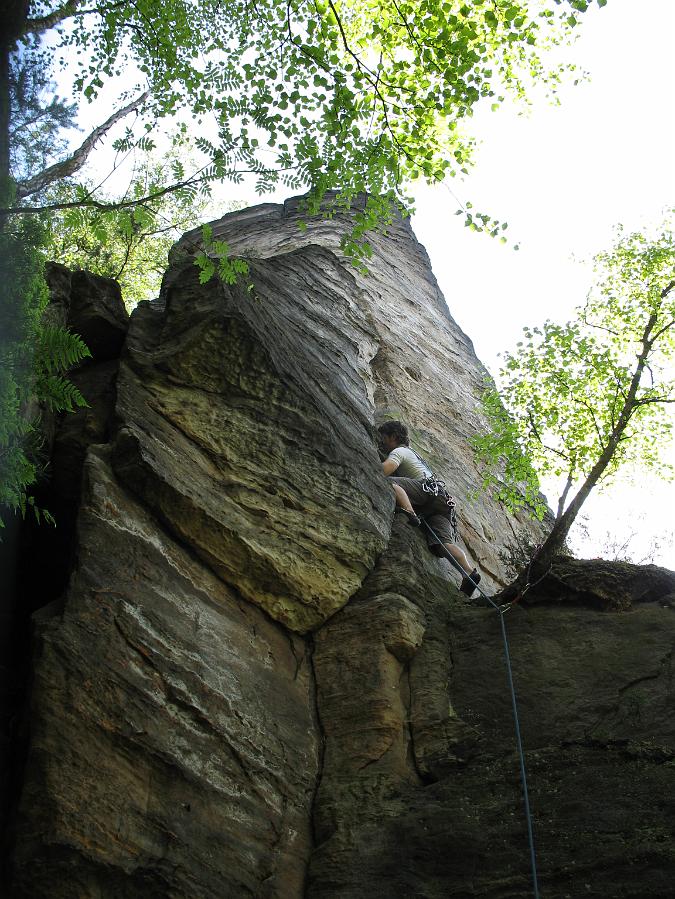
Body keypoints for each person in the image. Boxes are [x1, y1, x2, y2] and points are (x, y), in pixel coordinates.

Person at [377, 419, 481, 597]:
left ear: (394, 436)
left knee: (386, 482)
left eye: (384, 438)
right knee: (442, 544)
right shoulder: (418, 457)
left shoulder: (400, 450)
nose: (382, 443)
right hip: (442, 501)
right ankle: (469, 572)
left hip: (426, 491)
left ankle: (409, 511)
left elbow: (386, 469)